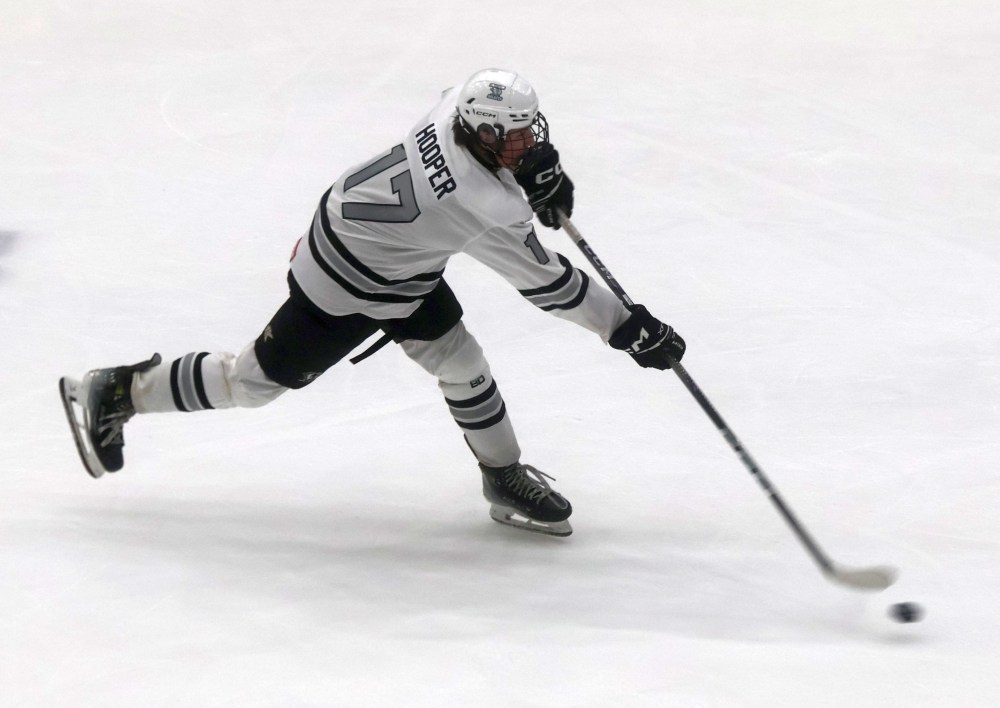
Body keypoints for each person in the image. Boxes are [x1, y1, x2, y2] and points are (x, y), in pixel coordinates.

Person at [58, 68, 686, 537]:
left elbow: (468, 114)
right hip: (349, 282)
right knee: (250, 384)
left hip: (388, 253)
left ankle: (502, 474)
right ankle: (117, 391)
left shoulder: (451, 113)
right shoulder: (482, 204)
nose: (528, 144)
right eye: (515, 137)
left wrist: (529, 177)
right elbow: (546, 283)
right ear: (485, 132)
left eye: (530, 133)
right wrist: (626, 328)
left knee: (462, 362)